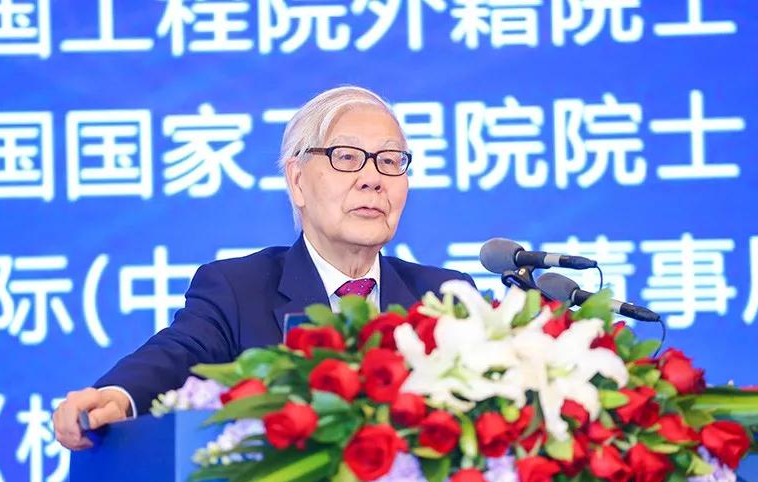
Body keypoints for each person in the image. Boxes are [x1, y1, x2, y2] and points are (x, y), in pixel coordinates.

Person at [53, 86, 475, 450]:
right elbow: (177, 354)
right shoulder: (239, 291)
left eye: (390, 160)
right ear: (297, 181)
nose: (372, 178)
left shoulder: (444, 298)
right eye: (347, 157)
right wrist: (118, 395)